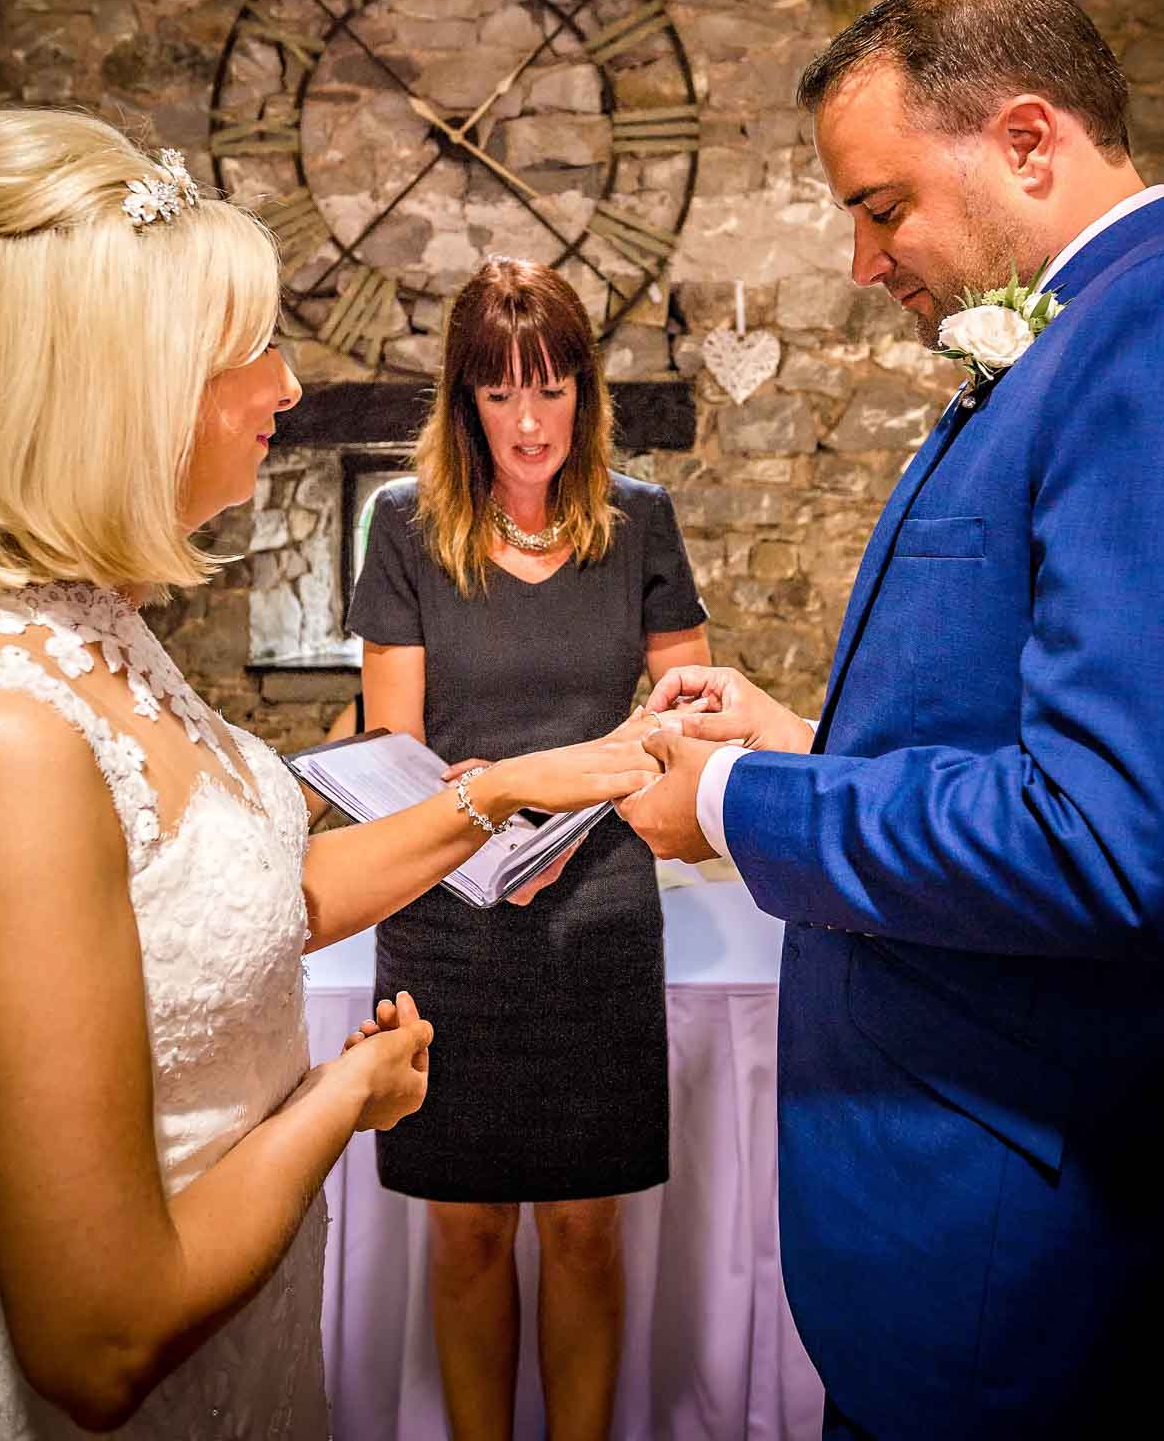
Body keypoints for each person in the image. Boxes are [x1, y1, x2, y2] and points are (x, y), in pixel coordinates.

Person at [0, 111, 659, 1440]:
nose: (284, 388)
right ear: (115, 393)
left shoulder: (104, 634)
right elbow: (97, 1345)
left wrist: (495, 791)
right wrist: (343, 1094)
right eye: (244, 356)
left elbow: (259, 895)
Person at [620, 0, 1164, 1440]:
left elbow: (1108, 837)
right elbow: (1042, 741)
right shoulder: (1078, 334)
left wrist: (723, 800)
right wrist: (804, 744)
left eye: (878, 206)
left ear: (1025, 142)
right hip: (944, 1212)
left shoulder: (1163, 333)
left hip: (1020, 1234)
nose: (858, 258)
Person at [347, 257, 709, 1441]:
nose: (532, 421)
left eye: (552, 388)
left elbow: (688, 710)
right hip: (447, 912)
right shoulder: (402, 526)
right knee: (462, 1224)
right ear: (466, 402)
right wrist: (491, 814)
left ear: (586, 394)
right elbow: (390, 746)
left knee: (588, 1224)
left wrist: (578, 810)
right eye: (503, 394)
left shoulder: (641, 518)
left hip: (598, 905)